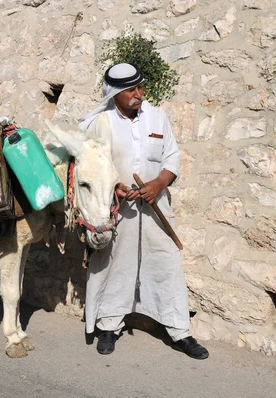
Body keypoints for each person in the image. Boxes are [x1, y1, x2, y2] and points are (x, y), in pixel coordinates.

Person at [78, 63, 208, 360]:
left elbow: (172, 159)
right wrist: (115, 187)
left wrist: (158, 184)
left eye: (140, 87)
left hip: (155, 206)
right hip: (116, 209)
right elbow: (91, 166)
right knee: (113, 264)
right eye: (130, 90)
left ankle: (179, 330)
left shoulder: (157, 117)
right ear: (114, 94)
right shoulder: (101, 123)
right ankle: (109, 325)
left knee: (166, 263)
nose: (139, 94)